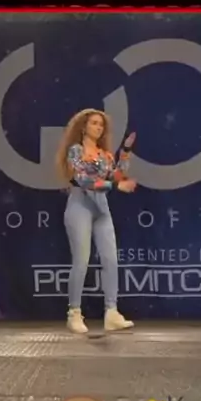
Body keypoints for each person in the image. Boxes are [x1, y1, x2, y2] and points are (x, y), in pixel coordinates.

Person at [55, 109, 137, 334]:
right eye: (94, 123)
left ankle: (112, 312)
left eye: (101, 124)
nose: (99, 128)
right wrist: (115, 185)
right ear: (83, 127)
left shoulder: (104, 155)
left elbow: (117, 176)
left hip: (101, 208)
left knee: (111, 259)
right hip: (80, 206)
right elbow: (83, 180)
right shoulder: (76, 150)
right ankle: (74, 313)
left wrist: (126, 152)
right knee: (81, 260)